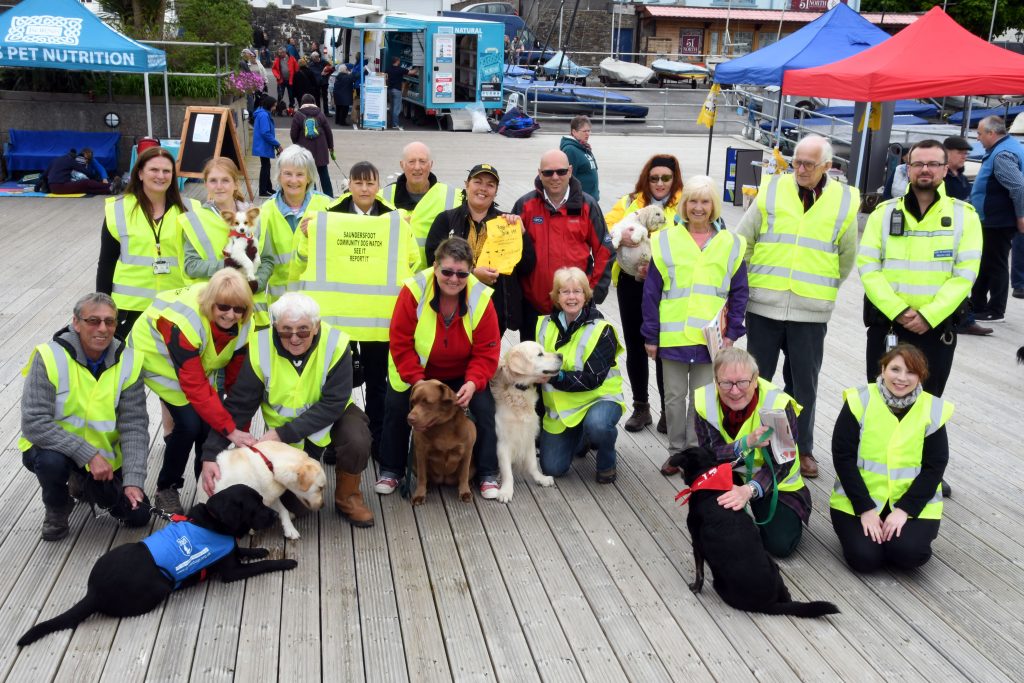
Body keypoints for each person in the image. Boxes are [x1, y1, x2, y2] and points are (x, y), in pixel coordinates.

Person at [734, 134, 859, 478]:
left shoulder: (845, 200)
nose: (800, 169)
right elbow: (743, 239)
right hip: (764, 304)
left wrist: (823, 288)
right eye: (796, 162)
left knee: (804, 385)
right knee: (756, 380)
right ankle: (753, 443)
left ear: (827, 166)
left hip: (810, 309)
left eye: (808, 164)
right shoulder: (772, 189)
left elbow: (846, 257)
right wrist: (750, 281)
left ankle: (801, 449)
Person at [200, 293, 374, 527]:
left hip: (328, 418)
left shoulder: (336, 344)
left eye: (303, 331)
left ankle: (348, 499)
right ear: (275, 326)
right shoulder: (260, 346)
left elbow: (333, 402)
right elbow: (239, 405)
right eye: (285, 331)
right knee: (297, 508)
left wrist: (282, 433)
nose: (294, 338)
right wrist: (210, 453)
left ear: (316, 326)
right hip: (289, 439)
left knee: (357, 438)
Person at [290, 160, 419, 461]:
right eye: (358, 182)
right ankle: (337, 441)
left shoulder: (394, 219)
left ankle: (376, 439)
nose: (364, 188)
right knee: (338, 384)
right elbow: (302, 261)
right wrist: (308, 236)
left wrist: (404, 234)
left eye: (370, 183)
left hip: (378, 317)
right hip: (338, 318)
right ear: (348, 185)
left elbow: (412, 260)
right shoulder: (327, 216)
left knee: (377, 382)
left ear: (378, 186)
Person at [376, 238, 502, 499]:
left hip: (462, 373)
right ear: (435, 267)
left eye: (462, 274)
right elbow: (400, 342)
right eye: (447, 271)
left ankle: (487, 472)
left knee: (484, 408)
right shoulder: (414, 291)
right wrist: (417, 380)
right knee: (397, 406)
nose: (454, 279)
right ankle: (392, 469)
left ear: (470, 271)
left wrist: (473, 382)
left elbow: (487, 351)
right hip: (416, 369)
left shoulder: (481, 298)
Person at [19, 293, 150, 541]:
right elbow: (34, 423)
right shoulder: (48, 357)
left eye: (110, 321)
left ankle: (81, 482)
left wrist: (133, 481)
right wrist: (88, 455)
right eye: (93, 321)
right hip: (58, 450)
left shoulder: (129, 361)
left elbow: (134, 426)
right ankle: (57, 507)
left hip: (106, 460)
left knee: (138, 516)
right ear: (76, 323)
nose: (103, 328)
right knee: (51, 462)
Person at [128, 268, 257, 515]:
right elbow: (194, 386)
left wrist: (240, 429)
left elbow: (237, 386)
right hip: (158, 362)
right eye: (223, 307)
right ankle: (167, 487)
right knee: (189, 425)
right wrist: (230, 431)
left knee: (210, 426)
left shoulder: (244, 324)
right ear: (211, 303)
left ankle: (205, 486)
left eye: (238, 309)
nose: (231, 315)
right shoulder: (183, 323)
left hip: (197, 364)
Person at [642, 175, 749, 474]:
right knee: (674, 398)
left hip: (711, 340)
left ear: (714, 206)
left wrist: (732, 333)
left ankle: (694, 452)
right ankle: (676, 452)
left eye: (704, 201)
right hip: (673, 336)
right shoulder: (665, 240)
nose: (698, 208)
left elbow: (740, 292)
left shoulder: (731, 244)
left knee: (702, 400)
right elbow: (651, 292)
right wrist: (651, 335)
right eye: (692, 201)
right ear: (684, 205)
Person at [860, 139, 982, 398]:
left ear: (945, 169)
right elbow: (868, 268)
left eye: (933, 164)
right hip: (889, 326)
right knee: (879, 402)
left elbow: (965, 275)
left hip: (935, 330)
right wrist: (898, 310)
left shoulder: (965, 217)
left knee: (928, 405)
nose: (925, 169)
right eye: (918, 164)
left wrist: (929, 315)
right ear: (908, 168)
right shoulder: (883, 214)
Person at [830, 343, 951, 573]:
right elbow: (843, 457)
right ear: (883, 369)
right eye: (895, 369)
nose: (902, 378)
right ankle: (868, 539)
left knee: (908, 554)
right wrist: (865, 509)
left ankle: (895, 540)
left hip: (912, 504)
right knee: (865, 559)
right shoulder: (859, 400)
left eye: (911, 372)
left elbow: (935, 466)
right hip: (857, 502)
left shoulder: (932, 409)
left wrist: (904, 510)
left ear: (921, 376)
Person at [693, 347, 810, 558]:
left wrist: (749, 490)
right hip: (730, 476)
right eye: (726, 383)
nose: (734, 391)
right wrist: (745, 443)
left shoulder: (777, 405)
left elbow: (782, 463)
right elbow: (708, 455)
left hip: (775, 483)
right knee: (718, 534)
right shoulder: (705, 400)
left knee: (780, 544)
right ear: (716, 381)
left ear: (755, 380)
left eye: (742, 382)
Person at [605, 154, 684, 433]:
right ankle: (641, 407)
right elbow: (603, 231)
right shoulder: (629, 202)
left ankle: (668, 409)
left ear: (675, 179)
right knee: (636, 344)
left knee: (664, 347)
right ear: (645, 179)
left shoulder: (685, 205)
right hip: (631, 283)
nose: (660, 183)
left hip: (668, 286)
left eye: (666, 178)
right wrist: (619, 238)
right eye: (654, 178)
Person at [513, 149, 614, 343]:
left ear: (570, 171)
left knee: (575, 360)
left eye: (561, 171)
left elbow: (605, 250)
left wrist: (592, 292)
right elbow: (511, 254)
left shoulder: (588, 205)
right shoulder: (525, 205)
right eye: (548, 172)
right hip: (534, 308)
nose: (555, 177)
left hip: (575, 307)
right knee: (532, 362)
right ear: (539, 173)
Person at [537, 267, 625, 483]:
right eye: (565, 292)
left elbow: (592, 379)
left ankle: (607, 461)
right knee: (552, 468)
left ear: (586, 296)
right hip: (562, 410)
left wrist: (556, 377)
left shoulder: (602, 330)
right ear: (557, 296)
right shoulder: (544, 325)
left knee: (598, 426)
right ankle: (581, 437)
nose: (571, 297)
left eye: (577, 291)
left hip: (599, 399)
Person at [425, 163, 536, 335]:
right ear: (466, 184)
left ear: (496, 191)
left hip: (493, 312)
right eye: (477, 182)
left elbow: (527, 266)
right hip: (452, 306)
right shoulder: (446, 219)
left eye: (490, 185)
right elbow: (432, 261)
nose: (483, 188)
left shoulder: (506, 223)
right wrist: (472, 274)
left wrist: (521, 235)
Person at [96, 146, 192, 338]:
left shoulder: (190, 210)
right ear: (140, 173)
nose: (161, 176)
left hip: (177, 307)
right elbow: (107, 262)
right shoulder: (118, 210)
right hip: (129, 309)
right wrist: (101, 306)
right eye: (154, 170)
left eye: (166, 171)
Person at [181, 157, 274, 321]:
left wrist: (254, 285)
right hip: (212, 308)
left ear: (236, 184)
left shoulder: (255, 218)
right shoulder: (195, 220)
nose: (219, 186)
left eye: (225, 180)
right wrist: (226, 265)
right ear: (206, 184)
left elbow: (267, 259)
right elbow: (191, 266)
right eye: (213, 181)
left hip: (251, 308)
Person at [260, 145, 333, 311]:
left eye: (300, 174)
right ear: (279, 177)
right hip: (279, 305)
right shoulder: (266, 211)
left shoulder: (327, 206)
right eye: (288, 174)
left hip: (317, 302)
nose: (293, 180)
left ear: (309, 177)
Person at [970, 115, 1024, 321]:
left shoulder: (1002, 154)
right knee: (986, 262)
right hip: (994, 218)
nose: (978, 138)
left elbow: (1018, 187)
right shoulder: (1009, 147)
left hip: (998, 219)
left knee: (995, 263)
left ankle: (995, 310)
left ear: (991, 133)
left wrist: (1021, 215)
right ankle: (978, 305)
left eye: (980, 134)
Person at [380, 141, 462, 263]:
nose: (417, 167)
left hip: (434, 274)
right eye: (411, 161)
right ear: (402, 165)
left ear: (431, 164)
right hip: (395, 273)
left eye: (422, 161)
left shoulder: (455, 196)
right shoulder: (382, 197)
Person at [942, 136, 991, 337]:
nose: (964, 156)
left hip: (964, 234)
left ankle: (964, 318)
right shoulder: (942, 179)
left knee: (963, 276)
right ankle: (963, 320)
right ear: (947, 153)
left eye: (965, 153)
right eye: (960, 153)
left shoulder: (960, 177)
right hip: (946, 235)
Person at [290, 93, 335, 197]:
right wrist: (331, 147)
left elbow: (293, 134)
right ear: (314, 102)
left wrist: (297, 145)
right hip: (321, 149)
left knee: (309, 175)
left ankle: (311, 196)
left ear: (302, 103)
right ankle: (329, 196)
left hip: (305, 150)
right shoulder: (320, 114)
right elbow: (328, 132)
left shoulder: (298, 115)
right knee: (324, 173)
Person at [560, 115, 599, 202]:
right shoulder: (570, 150)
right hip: (581, 201)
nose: (587, 134)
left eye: (589, 131)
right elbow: (567, 179)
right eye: (584, 131)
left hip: (590, 200)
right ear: (574, 132)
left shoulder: (584, 147)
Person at [45, 149, 116, 195]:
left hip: (53, 188)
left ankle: (109, 190)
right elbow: (84, 171)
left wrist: (104, 178)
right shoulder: (71, 160)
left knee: (85, 189)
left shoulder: (56, 160)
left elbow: (44, 174)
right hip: (62, 186)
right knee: (86, 182)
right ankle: (110, 186)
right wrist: (93, 178)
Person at [253, 95, 281, 198]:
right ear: (269, 105)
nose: (275, 108)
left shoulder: (262, 113)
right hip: (263, 145)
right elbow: (265, 133)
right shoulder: (264, 115)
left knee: (266, 166)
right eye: (274, 106)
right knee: (265, 167)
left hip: (262, 145)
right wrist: (277, 144)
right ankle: (263, 190)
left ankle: (268, 188)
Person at [385, 56, 419, 129]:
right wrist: (418, 67)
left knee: (392, 107)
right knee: (397, 108)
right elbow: (412, 72)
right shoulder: (400, 69)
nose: (399, 62)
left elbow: (386, 78)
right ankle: (395, 124)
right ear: (397, 61)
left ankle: (391, 123)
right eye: (399, 61)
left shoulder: (388, 69)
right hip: (397, 90)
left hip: (390, 90)